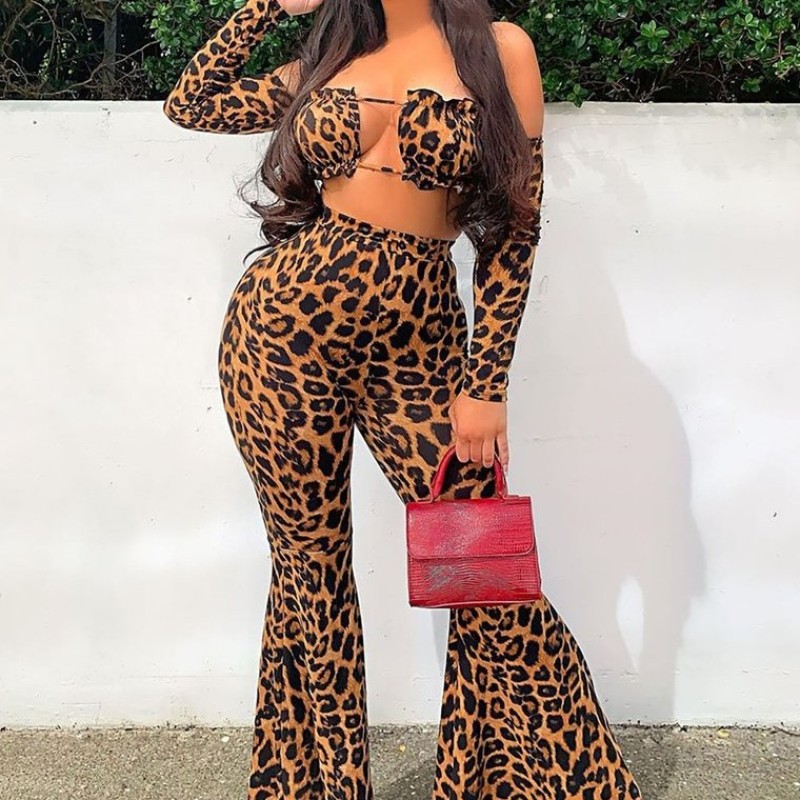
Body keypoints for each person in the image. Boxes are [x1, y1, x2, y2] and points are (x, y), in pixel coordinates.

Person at [163, 0, 643, 798]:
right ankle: (319, 786)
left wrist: (485, 384)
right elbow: (192, 103)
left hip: (417, 349)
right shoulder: (332, 55)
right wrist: (267, 8)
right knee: (310, 572)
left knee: (482, 566)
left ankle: (556, 781)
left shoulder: (500, 50)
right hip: (280, 333)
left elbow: (516, 233)